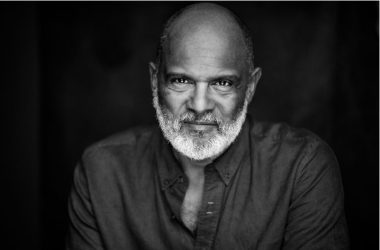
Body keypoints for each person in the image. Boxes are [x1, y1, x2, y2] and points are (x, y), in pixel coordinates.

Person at [66, 3, 349, 250]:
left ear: (249, 88)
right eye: (181, 80)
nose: (200, 106)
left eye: (222, 83)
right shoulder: (100, 172)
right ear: (155, 81)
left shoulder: (303, 167)